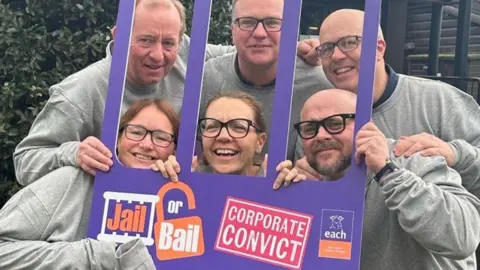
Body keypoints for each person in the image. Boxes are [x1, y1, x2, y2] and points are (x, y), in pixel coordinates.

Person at [13, 0, 323, 187]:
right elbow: (26, 161)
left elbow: (243, 49)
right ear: (119, 37)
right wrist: (72, 153)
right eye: (145, 40)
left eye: (168, 43)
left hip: (178, 201)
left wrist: (290, 49)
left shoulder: (187, 55)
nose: (158, 55)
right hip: (111, 213)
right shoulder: (80, 92)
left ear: (181, 41)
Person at [281, 89, 480, 270]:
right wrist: (291, 202)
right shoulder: (313, 181)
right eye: (309, 129)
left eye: (335, 124)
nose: (321, 135)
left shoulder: (411, 159)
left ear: (367, 125)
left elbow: (464, 238)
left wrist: (387, 172)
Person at [294, 9, 480, 200]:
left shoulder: (439, 100)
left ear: (379, 48)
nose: (336, 56)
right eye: (326, 48)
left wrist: (456, 155)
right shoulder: (315, 119)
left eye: (349, 43)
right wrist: (303, 185)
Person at [0, 98, 179, 269]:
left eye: (162, 138)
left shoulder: (181, 200)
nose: (147, 144)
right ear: (118, 139)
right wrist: (96, 257)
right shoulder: (71, 181)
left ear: (175, 149)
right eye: (136, 132)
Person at [201, 0, 333, 166]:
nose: (260, 33)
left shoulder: (319, 86)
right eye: (247, 22)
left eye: (272, 23)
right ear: (233, 30)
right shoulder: (206, 78)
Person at [152, 91, 304, 185]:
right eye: (212, 126)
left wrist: (294, 190)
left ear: (260, 142)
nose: (223, 136)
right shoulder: (184, 178)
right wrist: (159, 180)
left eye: (238, 127)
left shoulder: (277, 180)